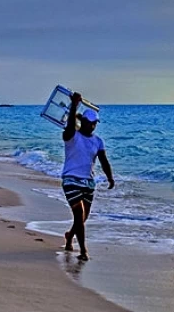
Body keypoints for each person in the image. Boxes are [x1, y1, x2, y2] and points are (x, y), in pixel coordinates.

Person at [61, 92, 114, 261]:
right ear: (83, 121)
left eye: (94, 124)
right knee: (78, 214)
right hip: (70, 179)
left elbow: (104, 161)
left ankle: (70, 236)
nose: (92, 126)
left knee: (83, 218)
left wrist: (110, 177)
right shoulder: (72, 136)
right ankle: (83, 251)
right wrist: (74, 106)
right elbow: (69, 126)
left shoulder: (98, 141)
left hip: (89, 182)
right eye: (90, 123)